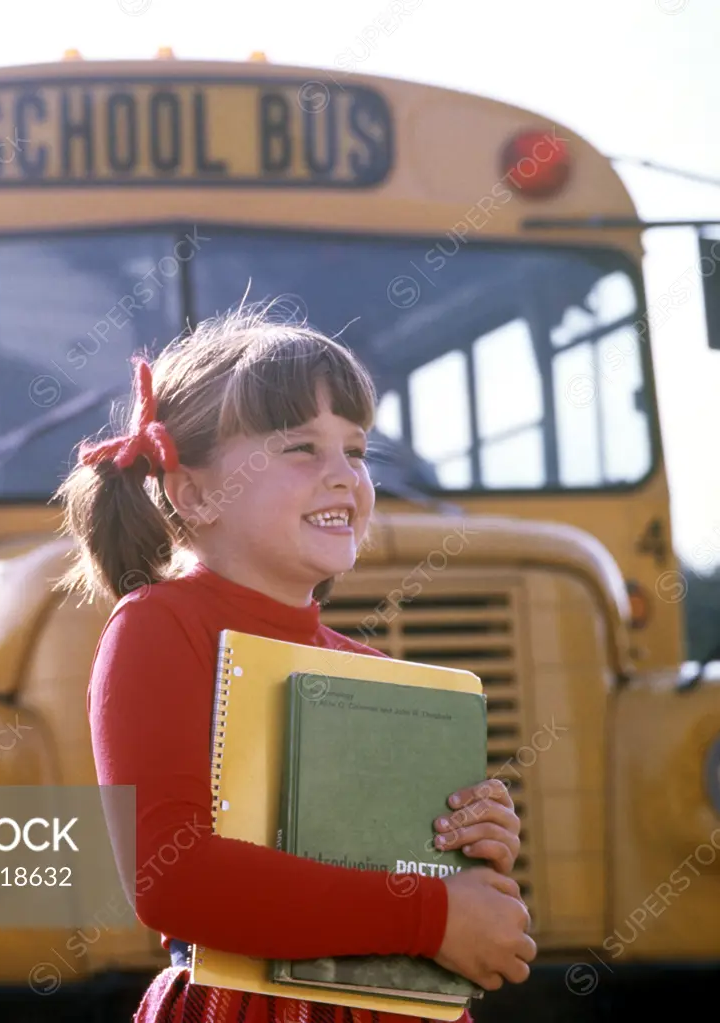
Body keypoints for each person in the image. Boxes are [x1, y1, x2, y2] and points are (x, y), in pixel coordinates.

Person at [54, 302, 535, 1023]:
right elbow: (173, 877)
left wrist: (471, 844)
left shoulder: (367, 667)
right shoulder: (158, 627)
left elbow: (395, 872)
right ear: (193, 492)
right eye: (300, 448)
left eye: (357, 450)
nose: (344, 475)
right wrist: (429, 914)